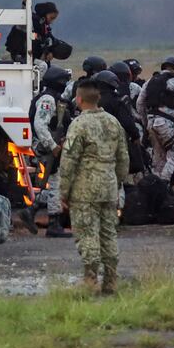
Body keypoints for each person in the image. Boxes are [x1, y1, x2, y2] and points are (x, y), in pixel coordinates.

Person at [60, 77, 130, 294]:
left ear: (79, 99)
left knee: (87, 234)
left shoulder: (79, 125)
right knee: (109, 234)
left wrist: (64, 191)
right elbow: (123, 158)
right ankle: (111, 280)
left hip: (85, 190)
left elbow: (69, 161)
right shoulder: (113, 122)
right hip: (109, 186)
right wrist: (117, 182)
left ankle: (91, 280)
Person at [30, 66, 73, 237]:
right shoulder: (47, 99)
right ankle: (53, 224)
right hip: (47, 147)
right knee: (56, 181)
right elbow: (40, 125)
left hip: (51, 144)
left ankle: (31, 210)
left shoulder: (52, 97)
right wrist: (52, 146)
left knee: (53, 181)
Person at [138, 57, 174, 183]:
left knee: (158, 159)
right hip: (168, 124)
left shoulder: (150, 81)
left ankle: (155, 189)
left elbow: (140, 103)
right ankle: (164, 186)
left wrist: (146, 123)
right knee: (173, 155)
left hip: (151, 123)